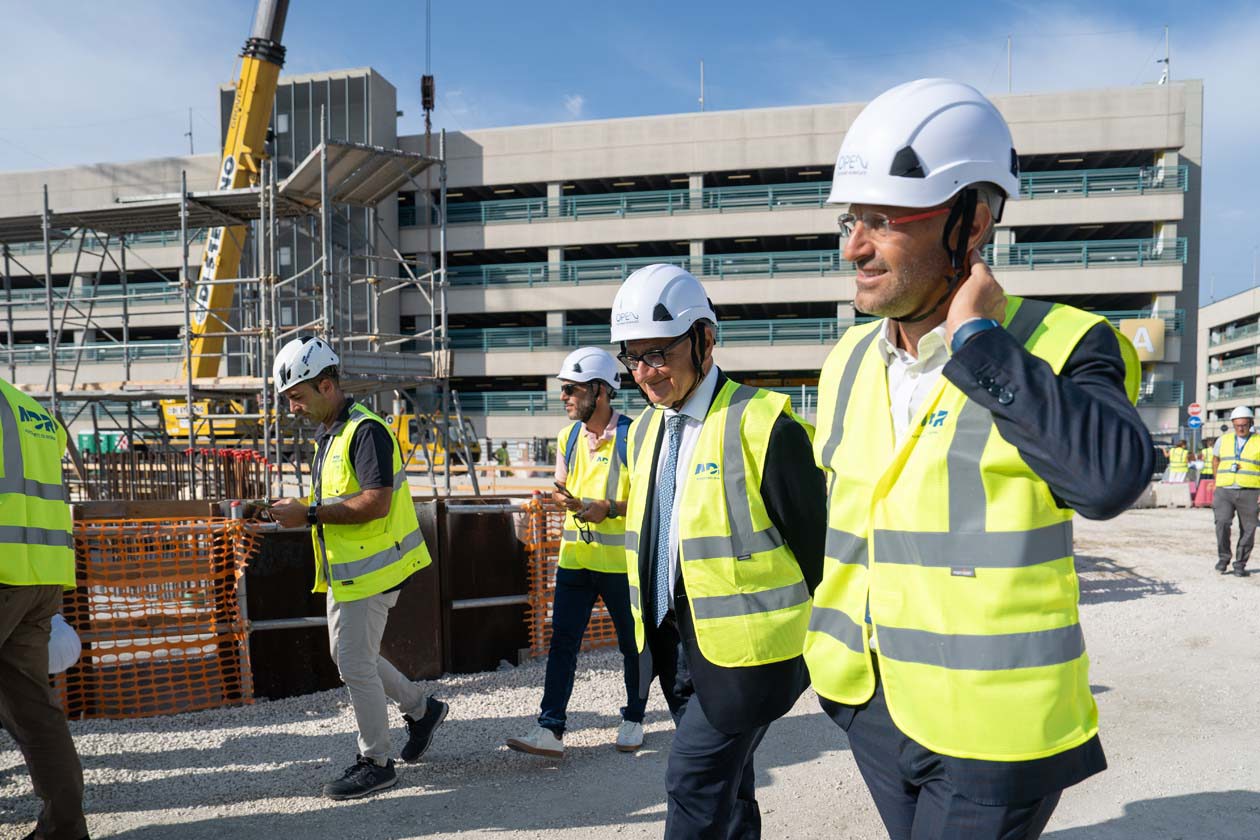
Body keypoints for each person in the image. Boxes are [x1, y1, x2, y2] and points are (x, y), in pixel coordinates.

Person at [807, 78, 1152, 840]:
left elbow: (1108, 479)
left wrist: (980, 342)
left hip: (995, 728)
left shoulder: (1067, 343)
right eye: (851, 219)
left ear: (974, 222)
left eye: (885, 220)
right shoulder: (846, 361)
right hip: (870, 703)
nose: (854, 246)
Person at [610, 263, 826, 839]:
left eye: (658, 353)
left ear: (705, 340)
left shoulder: (765, 424)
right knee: (729, 789)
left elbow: (817, 549)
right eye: (632, 357)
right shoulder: (648, 429)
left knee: (692, 782)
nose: (644, 373)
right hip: (674, 640)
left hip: (748, 653)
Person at [268, 336, 448, 800]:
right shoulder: (332, 434)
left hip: (371, 571)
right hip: (350, 570)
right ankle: (421, 709)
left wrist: (306, 513)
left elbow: (374, 501)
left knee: (352, 662)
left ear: (327, 386)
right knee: (351, 657)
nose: (293, 409)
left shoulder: (364, 431)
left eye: (297, 397)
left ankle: (376, 761)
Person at [506, 347, 645, 758]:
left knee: (631, 645)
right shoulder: (567, 438)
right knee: (562, 644)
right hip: (574, 562)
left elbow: (651, 501)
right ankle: (550, 728)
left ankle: (634, 718)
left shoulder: (633, 436)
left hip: (620, 565)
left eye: (571, 389)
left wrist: (609, 509)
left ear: (600, 391)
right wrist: (564, 499)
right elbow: (563, 485)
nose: (564, 396)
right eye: (563, 389)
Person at [0, 376, 89, 840]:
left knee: (31, 709)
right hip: (40, 579)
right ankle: (65, 829)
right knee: (34, 709)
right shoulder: (34, 412)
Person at [1211, 406, 1259, 577]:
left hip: (1250, 491)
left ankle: (1240, 564)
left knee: (1249, 528)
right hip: (1224, 490)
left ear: (1250, 423)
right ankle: (1223, 558)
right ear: (1232, 424)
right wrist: (1217, 481)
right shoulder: (1222, 440)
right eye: (1237, 425)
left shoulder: (1258, 441)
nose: (1240, 428)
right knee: (1222, 524)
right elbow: (1215, 460)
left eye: (1244, 425)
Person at [1195, 436, 1216, 507]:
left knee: (1203, 486)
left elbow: (1202, 459)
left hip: (1205, 471)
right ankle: (1212, 500)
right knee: (1212, 487)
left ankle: (1202, 499)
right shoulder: (1215, 451)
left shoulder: (1204, 451)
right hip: (1213, 471)